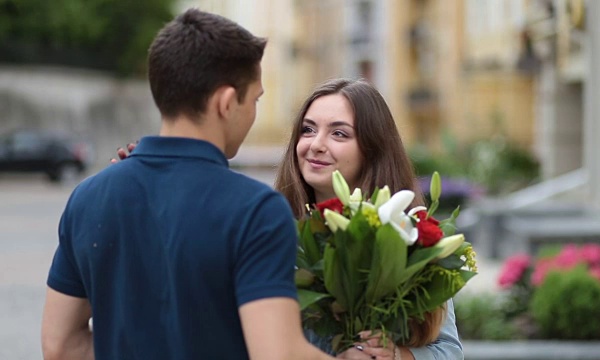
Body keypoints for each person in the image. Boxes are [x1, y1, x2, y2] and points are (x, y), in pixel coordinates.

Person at [41, 9, 340, 360]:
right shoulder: (255, 210)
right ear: (226, 103)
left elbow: (59, 346)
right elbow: (277, 353)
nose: (254, 111)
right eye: (255, 99)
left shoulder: (88, 197)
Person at [274, 78, 464, 360]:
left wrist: (395, 355)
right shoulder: (271, 232)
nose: (316, 144)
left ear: (372, 149)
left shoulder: (406, 232)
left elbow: (448, 352)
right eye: (308, 129)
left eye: (339, 134)